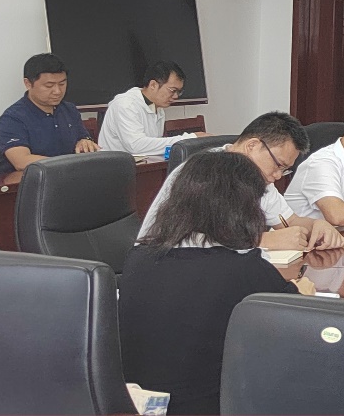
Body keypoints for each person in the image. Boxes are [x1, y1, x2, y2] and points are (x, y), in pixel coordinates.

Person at [119, 151, 315, 415]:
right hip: (211, 406)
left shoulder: (138, 257)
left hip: (138, 404)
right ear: (243, 207)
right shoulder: (243, 267)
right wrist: (303, 294)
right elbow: (298, 327)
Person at [140, 111, 344, 252]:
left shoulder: (260, 180)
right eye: (278, 165)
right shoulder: (204, 173)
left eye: (285, 170)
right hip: (168, 270)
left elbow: (289, 222)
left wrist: (318, 225)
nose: (278, 176)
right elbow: (189, 241)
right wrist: (263, 241)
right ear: (252, 146)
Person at [0, 53, 97, 173]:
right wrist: (68, 165)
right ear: (28, 83)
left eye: (62, 84)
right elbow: (21, 161)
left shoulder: (69, 109)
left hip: (67, 178)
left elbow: (83, 138)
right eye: (49, 86)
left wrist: (85, 141)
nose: (57, 91)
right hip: (25, 182)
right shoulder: (13, 118)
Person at [98, 61, 211, 155]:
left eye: (179, 92)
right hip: (115, 169)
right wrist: (189, 138)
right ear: (153, 85)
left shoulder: (157, 107)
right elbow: (136, 146)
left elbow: (153, 146)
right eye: (172, 90)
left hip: (142, 166)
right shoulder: (125, 104)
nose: (176, 96)